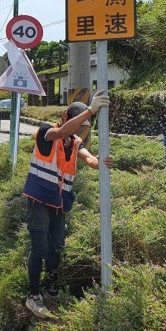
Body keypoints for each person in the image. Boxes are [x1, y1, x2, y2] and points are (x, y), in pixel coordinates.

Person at [22, 91, 113, 319]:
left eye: (85, 125)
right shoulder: (46, 132)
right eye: (79, 122)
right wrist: (90, 110)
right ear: (66, 116)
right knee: (40, 248)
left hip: (59, 203)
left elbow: (90, 160)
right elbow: (62, 131)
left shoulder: (75, 143)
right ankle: (33, 296)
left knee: (56, 248)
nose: (81, 129)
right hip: (39, 200)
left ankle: (51, 291)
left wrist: (102, 162)